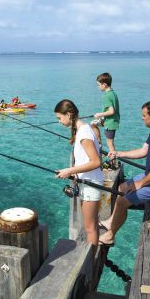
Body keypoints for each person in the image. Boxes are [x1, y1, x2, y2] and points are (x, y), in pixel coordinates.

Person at [99, 100, 150, 246]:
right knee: (122, 188)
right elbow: (143, 151)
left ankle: (110, 236)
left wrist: (140, 184)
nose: (142, 118)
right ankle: (111, 222)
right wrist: (119, 153)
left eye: (144, 115)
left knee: (123, 201)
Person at [54, 99, 103, 248]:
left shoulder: (84, 134)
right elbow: (88, 159)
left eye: (59, 118)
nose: (59, 121)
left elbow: (96, 162)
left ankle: (92, 261)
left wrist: (70, 170)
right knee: (91, 225)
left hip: (91, 185)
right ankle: (91, 257)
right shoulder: (83, 129)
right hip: (88, 183)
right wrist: (74, 173)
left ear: (68, 114)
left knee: (90, 227)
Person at [93, 72, 120, 153]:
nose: (98, 87)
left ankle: (113, 162)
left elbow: (111, 111)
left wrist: (99, 114)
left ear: (104, 84)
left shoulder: (106, 96)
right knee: (93, 124)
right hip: (111, 121)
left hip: (110, 123)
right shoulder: (113, 93)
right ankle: (99, 145)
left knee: (110, 144)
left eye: (98, 85)